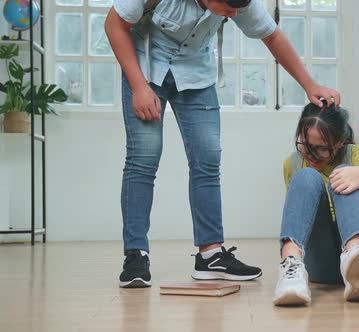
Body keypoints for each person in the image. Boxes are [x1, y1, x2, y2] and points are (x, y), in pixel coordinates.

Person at [105, 0, 340, 288]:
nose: (232, 14)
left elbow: (273, 35)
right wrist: (139, 87)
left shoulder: (239, 3)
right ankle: (136, 255)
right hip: (144, 66)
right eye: (226, 7)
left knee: (207, 159)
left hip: (196, 71)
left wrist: (309, 84)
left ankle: (210, 256)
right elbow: (114, 24)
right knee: (144, 157)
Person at [273, 102, 359, 306]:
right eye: (305, 145)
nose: (311, 154)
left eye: (321, 149)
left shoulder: (356, 154)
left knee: (345, 171)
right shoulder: (292, 164)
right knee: (305, 177)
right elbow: (298, 217)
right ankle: (291, 264)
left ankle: (355, 255)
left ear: (339, 142)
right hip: (323, 263)